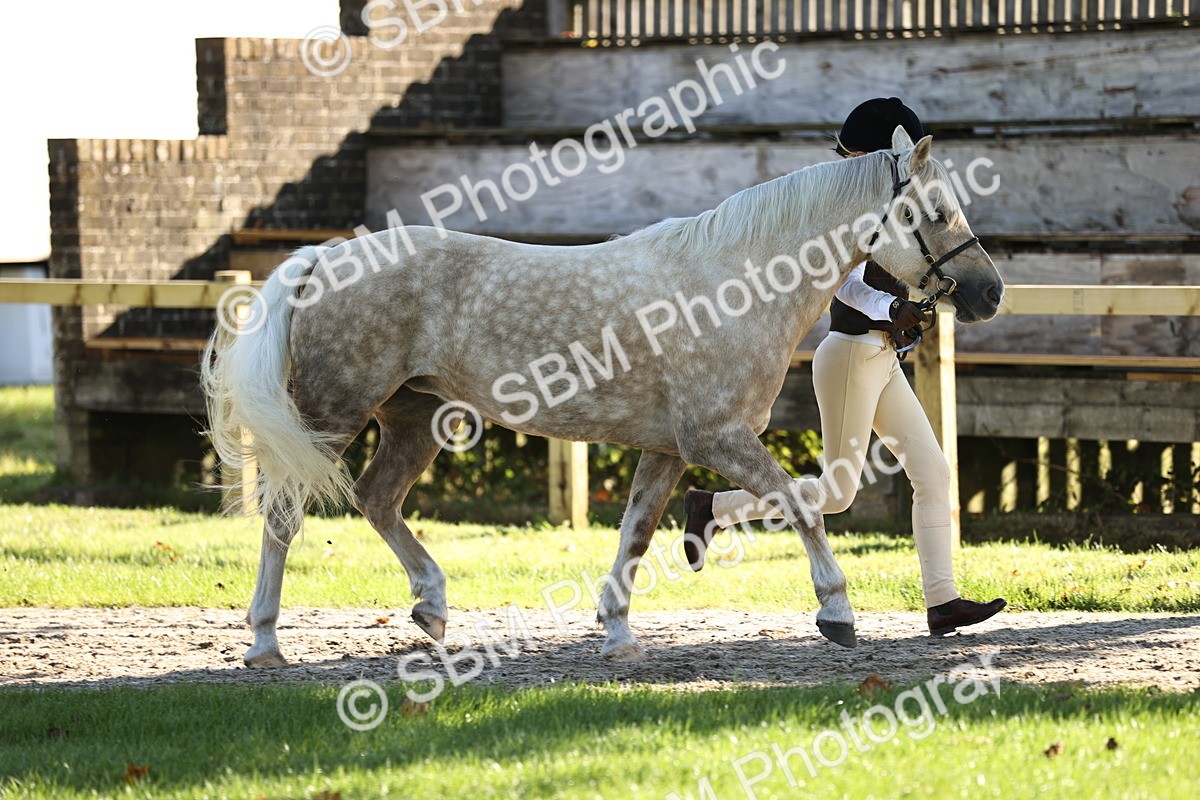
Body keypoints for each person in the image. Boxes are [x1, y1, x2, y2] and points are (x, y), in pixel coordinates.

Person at [682, 98, 1006, 637]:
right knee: (838, 494)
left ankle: (942, 600)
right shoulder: (850, 210)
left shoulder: (892, 205)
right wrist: (892, 309)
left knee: (933, 473)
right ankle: (714, 508)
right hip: (852, 354)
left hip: (881, 358)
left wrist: (913, 311)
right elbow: (845, 284)